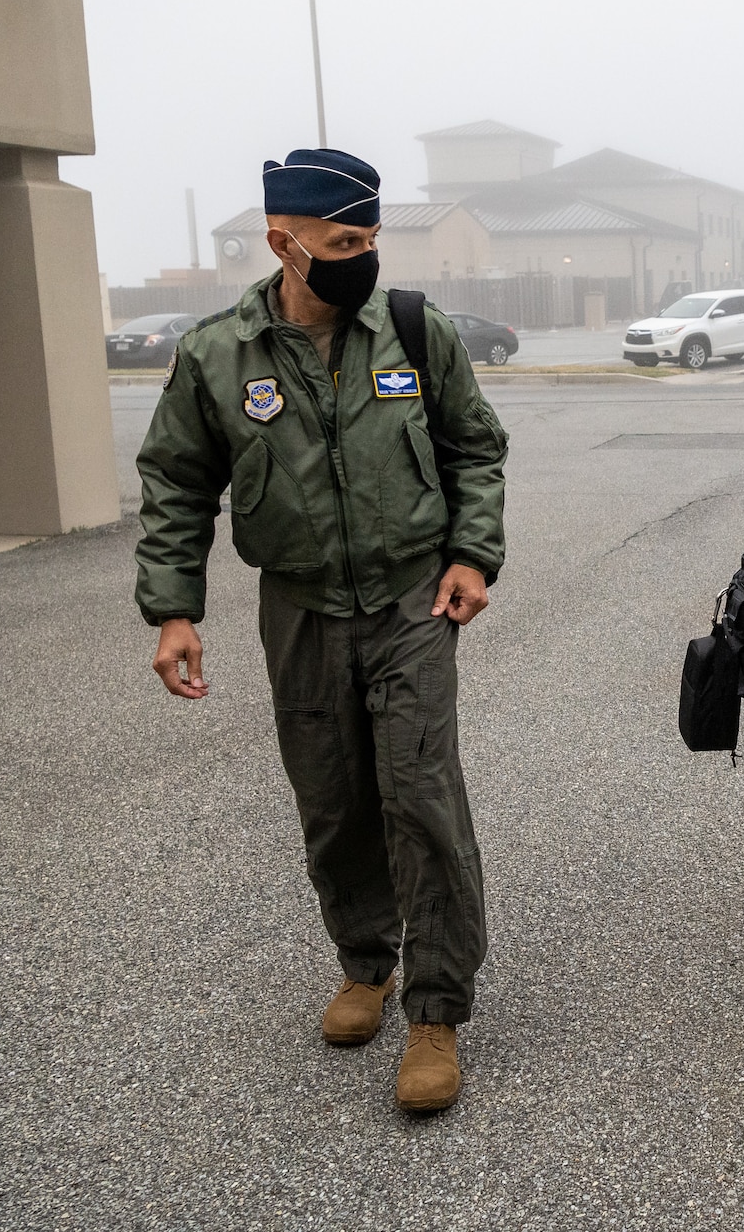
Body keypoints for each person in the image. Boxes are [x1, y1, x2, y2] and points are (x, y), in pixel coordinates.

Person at [134, 148, 510, 1113]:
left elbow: (475, 446)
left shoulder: (415, 332)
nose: (365, 256)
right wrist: (175, 608)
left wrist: (472, 554)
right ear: (282, 242)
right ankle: (364, 961)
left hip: (410, 599)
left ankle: (434, 1010)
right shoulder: (219, 353)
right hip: (298, 607)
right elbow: (177, 480)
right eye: (345, 241)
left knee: (421, 795)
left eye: (373, 237)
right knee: (334, 799)